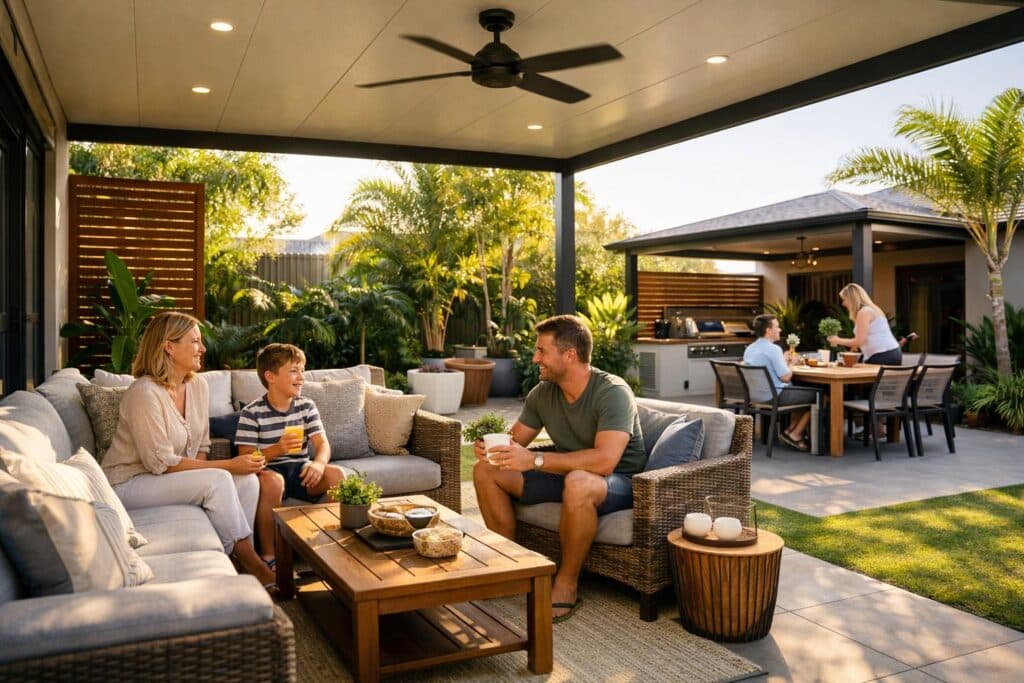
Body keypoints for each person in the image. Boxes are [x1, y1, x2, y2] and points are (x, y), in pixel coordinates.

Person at [473, 315, 646, 623]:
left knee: (579, 481)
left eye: (542, 351)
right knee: (486, 470)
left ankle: (567, 583)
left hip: (620, 481)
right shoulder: (543, 394)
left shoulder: (612, 392)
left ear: (570, 355)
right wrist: (493, 448)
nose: (534, 358)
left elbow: (606, 461)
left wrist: (535, 460)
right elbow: (515, 441)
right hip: (567, 474)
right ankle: (510, 564)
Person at [102, 311, 276, 590]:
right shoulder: (144, 393)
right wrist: (228, 466)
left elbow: (202, 446)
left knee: (247, 481)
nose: (203, 348)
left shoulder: (197, 385)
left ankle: (235, 565)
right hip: (129, 483)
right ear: (169, 347)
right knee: (220, 478)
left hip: (163, 478)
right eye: (195, 341)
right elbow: (160, 463)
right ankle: (253, 565)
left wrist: (208, 478)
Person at [235, 343, 344, 566]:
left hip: (300, 468)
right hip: (268, 469)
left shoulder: (306, 406)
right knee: (273, 482)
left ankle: (317, 543)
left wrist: (319, 465)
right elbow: (246, 458)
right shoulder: (251, 413)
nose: (301, 377)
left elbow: (322, 444)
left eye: (302, 370)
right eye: (294, 371)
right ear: (270, 376)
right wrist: (277, 449)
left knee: (338, 476)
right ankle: (269, 554)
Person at [743, 314, 819, 451]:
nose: (780, 330)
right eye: (777, 327)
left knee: (802, 393)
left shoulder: (750, 349)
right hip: (775, 395)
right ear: (768, 331)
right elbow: (785, 377)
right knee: (819, 396)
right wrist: (792, 363)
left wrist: (784, 361)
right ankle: (795, 434)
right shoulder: (773, 349)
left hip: (756, 396)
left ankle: (790, 431)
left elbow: (771, 370)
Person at [827, 283, 902, 365]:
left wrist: (837, 340)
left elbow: (859, 341)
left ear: (852, 299)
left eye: (844, 299)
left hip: (883, 355)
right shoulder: (872, 309)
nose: (843, 303)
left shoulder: (864, 312)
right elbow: (861, 340)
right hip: (889, 353)